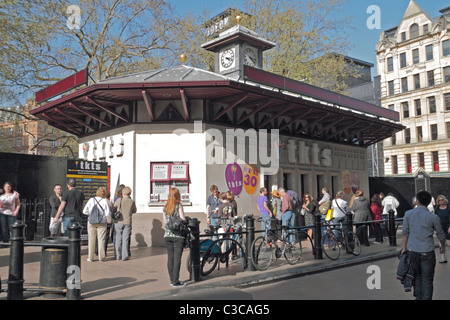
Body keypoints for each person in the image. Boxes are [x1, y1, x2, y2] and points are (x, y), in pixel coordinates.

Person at [401, 190, 446, 300]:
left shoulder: (408, 214)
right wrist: (443, 247)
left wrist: (404, 248)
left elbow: (405, 233)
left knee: (417, 277)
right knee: (427, 279)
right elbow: (440, 235)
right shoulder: (433, 217)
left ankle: (418, 298)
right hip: (427, 250)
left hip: (413, 250)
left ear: (417, 201)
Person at [163, 188, 187, 288]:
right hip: (178, 236)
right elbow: (183, 219)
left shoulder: (165, 207)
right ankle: (175, 281)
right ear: (177, 195)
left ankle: (172, 280)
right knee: (177, 259)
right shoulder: (179, 205)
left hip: (168, 235)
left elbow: (165, 223)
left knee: (170, 258)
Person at [83, 187, 112, 262]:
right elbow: (107, 213)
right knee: (101, 240)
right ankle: (101, 257)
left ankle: (90, 257)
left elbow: (84, 211)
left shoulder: (91, 200)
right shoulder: (105, 201)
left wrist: (91, 214)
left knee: (91, 239)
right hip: (102, 222)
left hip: (91, 222)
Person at [114, 186, 137, 261]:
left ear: (123, 193)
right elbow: (134, 210)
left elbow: (114, 207)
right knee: (125, 239)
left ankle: (118, 255)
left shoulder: (119, 200)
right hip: (127, 222)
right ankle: (124, 256)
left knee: (118, 239)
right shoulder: (132, 201)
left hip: (119, 222)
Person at [434, 195, 450, 263]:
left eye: (442, 200)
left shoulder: (448, 208)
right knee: (441, 244)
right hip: (440, 227)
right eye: (440, 200)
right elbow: (435, 219)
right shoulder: (437, 209)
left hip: (448, 226)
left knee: (449, 243)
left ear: (444, 200)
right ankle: (443, 258)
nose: (441, 201)